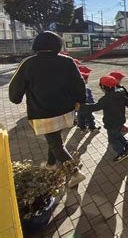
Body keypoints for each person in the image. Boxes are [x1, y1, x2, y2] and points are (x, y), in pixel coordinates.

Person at [8, 31, 87, 187]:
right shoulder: (68, 61)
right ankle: (51, 164)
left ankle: (75, 173)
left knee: (56, 144)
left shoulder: (28, 63)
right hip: (66, 110)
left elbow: (15, 93)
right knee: (56, 140)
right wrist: (80, 101)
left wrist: (17, 99)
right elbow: (80, 84)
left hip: (43, 112)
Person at [83, 76, 128, 162]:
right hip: (120, 120)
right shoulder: (121, 94)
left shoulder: (105, 99)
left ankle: (122, 153)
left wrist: (82, 107)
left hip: (111, 123)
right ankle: (126, 144)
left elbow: (94, 107)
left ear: (103, 87)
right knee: (117, 134)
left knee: (112, 139)